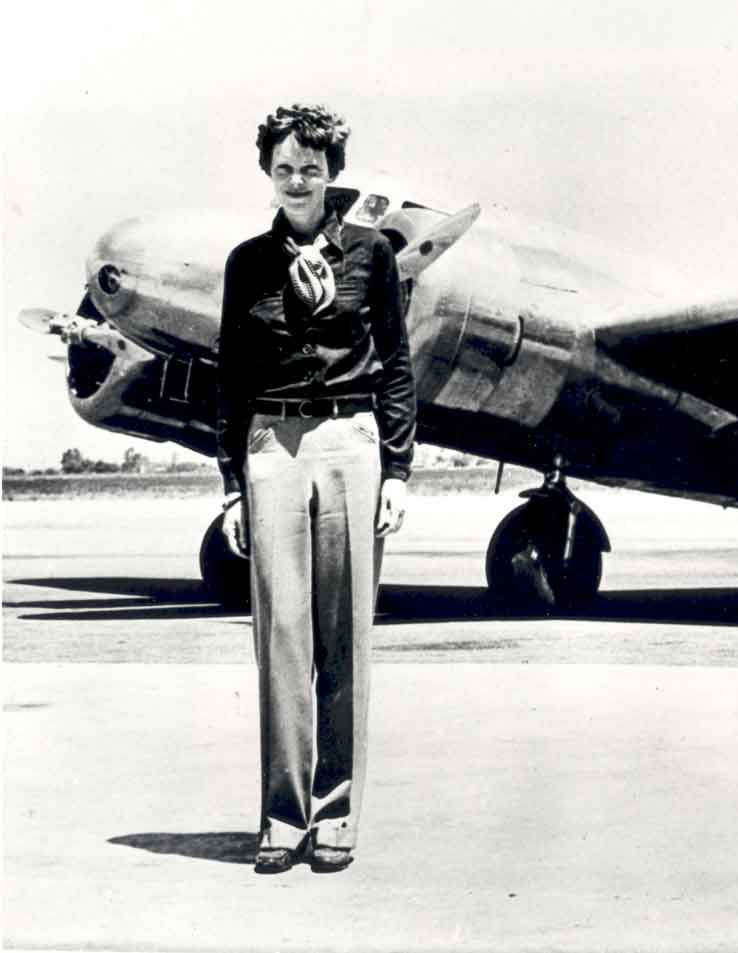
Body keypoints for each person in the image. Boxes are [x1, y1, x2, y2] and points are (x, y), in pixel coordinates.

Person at [215, 103, 416, 874]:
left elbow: (395, 365)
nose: (297, 180)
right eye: (283, 168)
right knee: (281, 641)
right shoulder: (245, 264)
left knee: (344, 639)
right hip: (271, 443)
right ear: (267, 173)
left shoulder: (372, 255)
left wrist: (397, 470)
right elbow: (231, 378)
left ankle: (335, 817)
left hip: (349, 441)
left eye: (311, 167)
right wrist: (233, 483)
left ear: (333, 172)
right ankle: (281, 816)